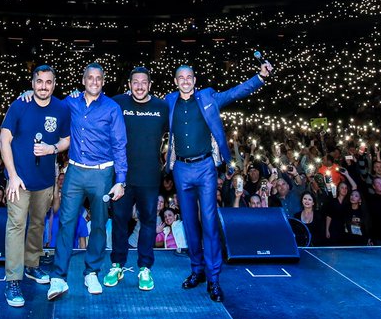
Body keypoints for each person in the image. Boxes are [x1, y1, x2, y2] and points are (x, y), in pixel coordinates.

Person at [166, 58, 271, 303]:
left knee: (210, 223)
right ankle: (197, 271)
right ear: (176, 82)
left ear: (194, 80)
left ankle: (213, 279)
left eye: (189, 77)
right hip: (181, 169)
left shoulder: (208, 97)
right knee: (189, 224)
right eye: (181, 78)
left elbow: (236, 92)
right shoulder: (169, 101)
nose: (185, 81)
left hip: (205, 168)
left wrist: (260, 78)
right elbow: (144, 108)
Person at [47, 63, 128, 301]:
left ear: (103, 81)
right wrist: (30, 94)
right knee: (66, 222)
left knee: (100, 224)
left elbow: (120, 145)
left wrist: (121, 180)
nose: (94, 81)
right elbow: (49, 106)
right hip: (74, 172)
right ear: (83, 81)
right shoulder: (71, 102)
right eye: (90, 78)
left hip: (102, 174)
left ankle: (91, 272)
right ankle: (58, 277)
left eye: (98, 78)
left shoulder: (112, 108)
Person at [0, 64, 71, 308]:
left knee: (38, 224)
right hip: (19, 181)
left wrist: (52, 148)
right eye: (39, 81)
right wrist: (12, 175)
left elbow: (66, 140)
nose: (43, 86)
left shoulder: (61, 108)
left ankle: (32, 265)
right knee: (16, 226)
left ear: (54, 84)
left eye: (48, 82)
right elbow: (4, 139)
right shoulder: (20, 105)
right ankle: (12, 279)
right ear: (32, 83)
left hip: (45, 182)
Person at [104, 66, 168, 293]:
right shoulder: (117, 103)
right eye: (135, 82)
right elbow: (92, 100)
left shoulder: (162, 107)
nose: (139, 86)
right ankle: (117, 265)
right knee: (119, 221)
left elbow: (180, 125)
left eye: (143, 82)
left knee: (148, 222)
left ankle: (145, 268)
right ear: (129, 85)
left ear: (150, 85)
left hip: (149, 177)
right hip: (121, 177)